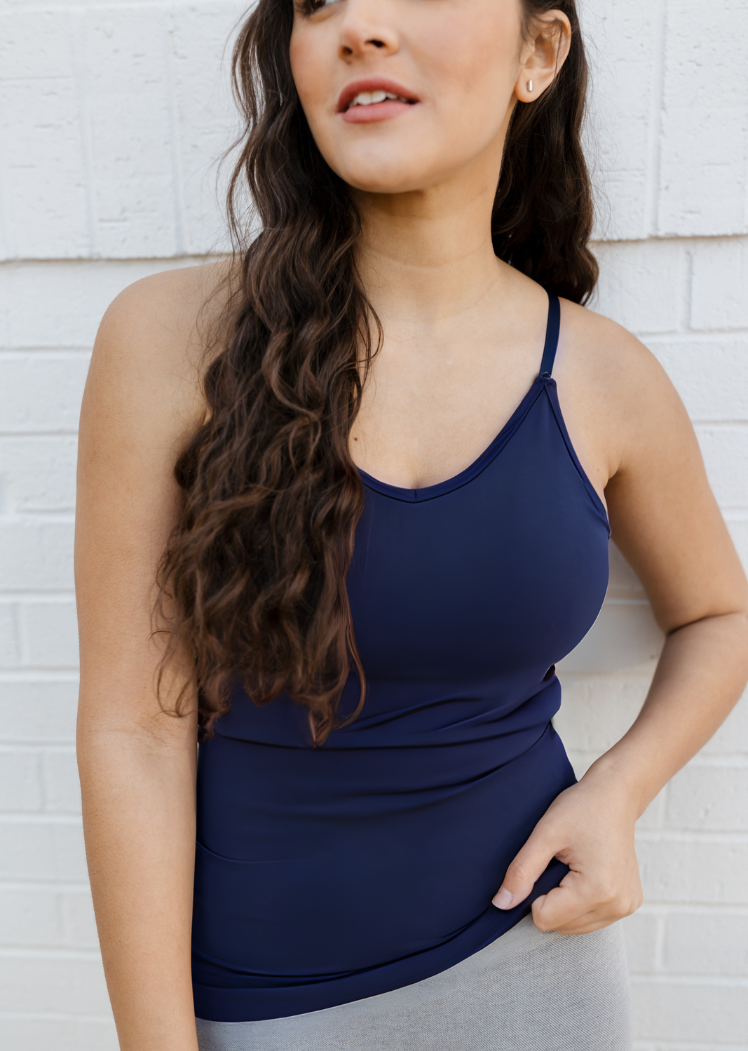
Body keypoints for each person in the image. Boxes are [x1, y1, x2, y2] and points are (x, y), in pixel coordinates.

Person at [75, 1, 748, 1049]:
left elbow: (719, 616)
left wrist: (617, 791)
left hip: (536, 963)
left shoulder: (605, 375)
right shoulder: (170, 340)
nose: (360, 28)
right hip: (263, 996)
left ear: (539, 52)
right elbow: (134, 729)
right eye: (320, 3)